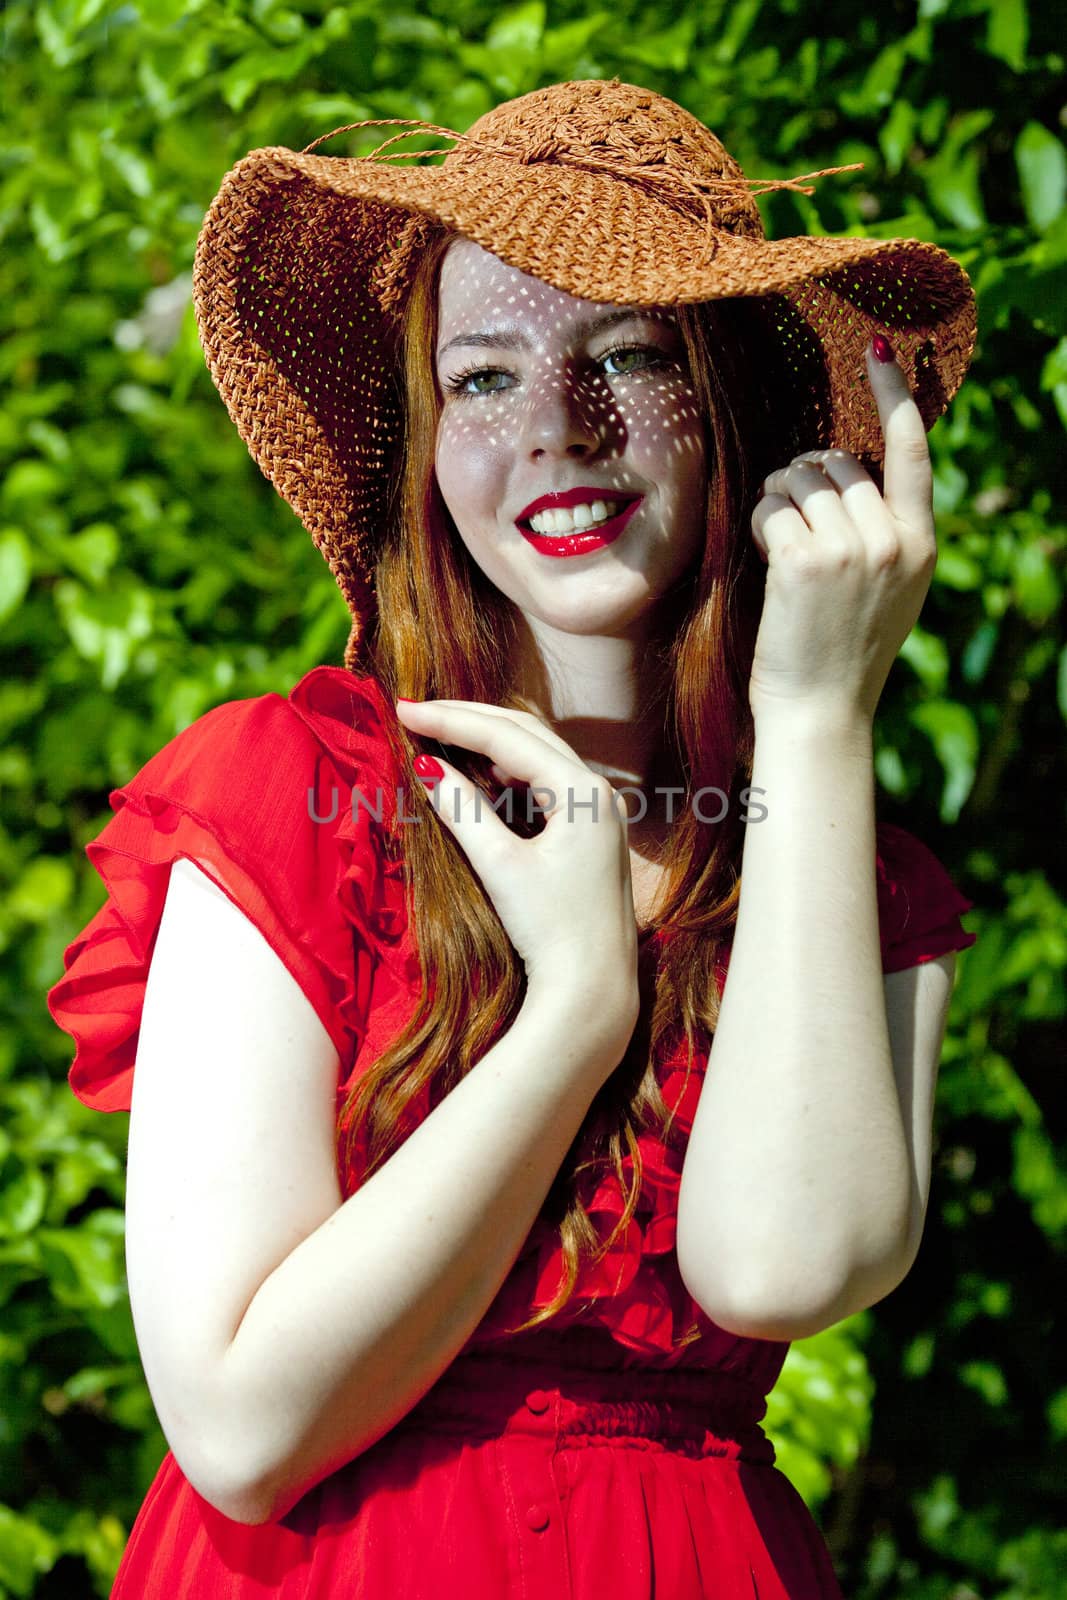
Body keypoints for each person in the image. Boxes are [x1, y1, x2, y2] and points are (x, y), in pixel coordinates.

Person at [47, 77, 979, 1598]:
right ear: (422, 445)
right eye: (482, 380)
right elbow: (238, 1424)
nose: (560, 424)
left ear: (733, 409)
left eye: (628, 354)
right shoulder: (291, 798)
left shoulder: (840, 872)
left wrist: (815, 717)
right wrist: (575, 1017)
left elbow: (782, 1267)